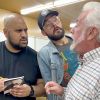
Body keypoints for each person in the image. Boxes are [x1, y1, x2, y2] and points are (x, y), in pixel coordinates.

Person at [45, 1, 100, 100]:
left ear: (91, 33)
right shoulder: (84, 61)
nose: (71, 30)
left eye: (77, 25)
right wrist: (62, 90)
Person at [0, 14, 45, 100]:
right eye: (18, 31)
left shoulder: (36, 56)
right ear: (6, 32)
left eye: (25, 30)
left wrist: (31, 90)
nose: (24, 35)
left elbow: (43, 87)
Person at [37, 9, 79, 99]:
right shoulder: (44, 53)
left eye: (55, 19)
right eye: (48, 24)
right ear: (43, 33)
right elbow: (50, 87)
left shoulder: (79, 42)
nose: (54, 25)